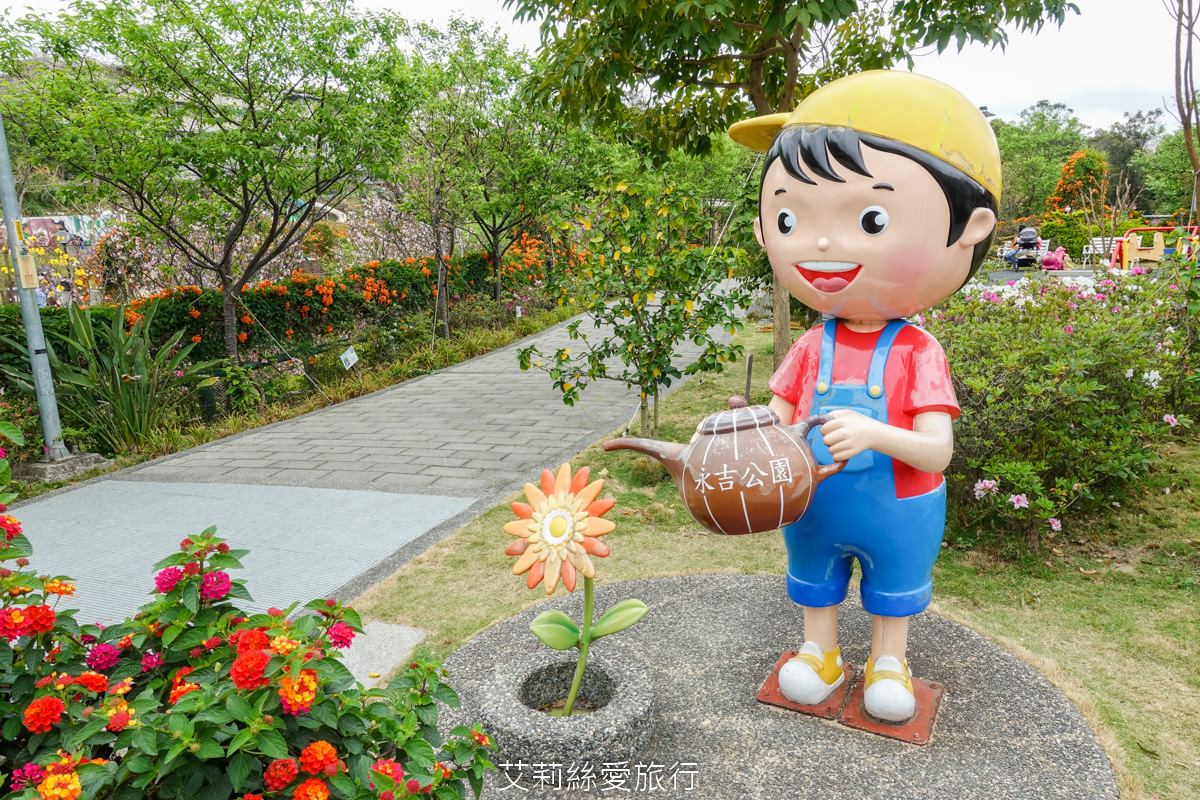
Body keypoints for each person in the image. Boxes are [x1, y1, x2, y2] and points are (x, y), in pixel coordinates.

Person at [728, 70, 999, 722]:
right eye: (789, 217)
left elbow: (936, 452)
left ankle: (888, 661)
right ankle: (819, 654)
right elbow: (781, 416)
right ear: (766, 231)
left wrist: (875, 433)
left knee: (892, 590)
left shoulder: (918, 352)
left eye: (871, 218)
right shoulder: (809, 347)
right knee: (814, 581)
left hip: (899, 506)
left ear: (972, 228)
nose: (821, 243)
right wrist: (752, 432)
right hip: (813, 501)